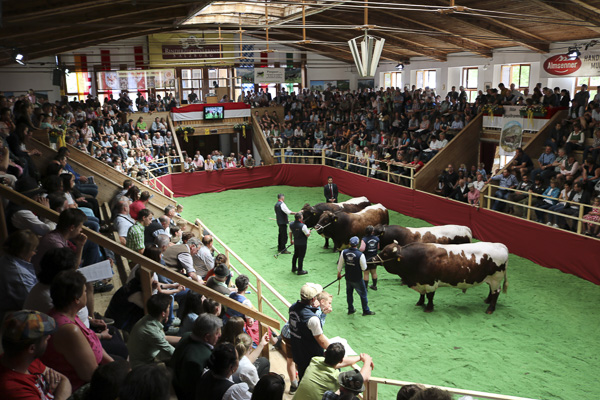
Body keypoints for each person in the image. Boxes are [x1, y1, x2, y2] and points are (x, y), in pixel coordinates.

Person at [42, 270, 114, 390]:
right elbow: (90, 375)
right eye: (85, 291)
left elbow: (91, 339)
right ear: (76, 299)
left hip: (97, 367)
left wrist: (112, 363)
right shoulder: (69, 330)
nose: (86, 293)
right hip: (79, 387)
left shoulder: (67, 313)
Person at [0, 310, 72, 400]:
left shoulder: (24, 359)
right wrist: (51, 393)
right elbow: (63, 384)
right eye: (45, 338)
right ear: (32, 348)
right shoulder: (13, 389)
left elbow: (64, 380)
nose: (49, 337)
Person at [293, 343, 373, 400]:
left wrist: (359, 357)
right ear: (341, 360)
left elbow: (337, 362)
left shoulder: (315, 360)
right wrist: (367, 361)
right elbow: (361, 378)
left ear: (325, 353)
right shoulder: (335, 378)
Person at [171, 314, 223, 400]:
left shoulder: (186, 335)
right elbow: (192, 391)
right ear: (207, 337)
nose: (219, 336)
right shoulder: (203, 359)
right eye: (217, 333)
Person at [288, 283, 330, 381]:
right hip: (311, 357)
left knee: (302, 379)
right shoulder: (312, 319)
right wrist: (334, 349)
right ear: (312, 299)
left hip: (298, 353)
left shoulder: (293, 308)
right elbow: (321, 341)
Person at [127, 293, 181, 368]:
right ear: (163, 313)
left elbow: (163, 338)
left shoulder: (149, 318)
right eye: (168, 307)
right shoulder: (151, 330)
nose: (170, 309)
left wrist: (184, 338)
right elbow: (170, 351)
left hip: (148, 355)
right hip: (142, 365)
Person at [0, 230, 39, 323]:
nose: (35, 253)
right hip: (10, 318)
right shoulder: (19, 274)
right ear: (23, 251)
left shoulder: (5, 258)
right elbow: (33, 303)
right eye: (33, 250)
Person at [337, 236, 375, 316]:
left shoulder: (344, 252)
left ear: (350, 244)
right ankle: (366, 310)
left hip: (348, 277)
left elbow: (340, 264)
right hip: (357, 278)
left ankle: (350, 309)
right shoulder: (360, 255)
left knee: (349, 294)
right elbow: (364, 268)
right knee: (363, 294)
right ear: (357, 244)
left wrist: (339, 274)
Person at [360, 225, 380, 291]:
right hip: (374, 258)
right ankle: (374, 286)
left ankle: (365, 288)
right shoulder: (377, 239)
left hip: (366, 258)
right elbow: (378, 247)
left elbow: (362, 249)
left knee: (366, 273)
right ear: (372, 232)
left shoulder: (364, 239)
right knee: (374, 272)